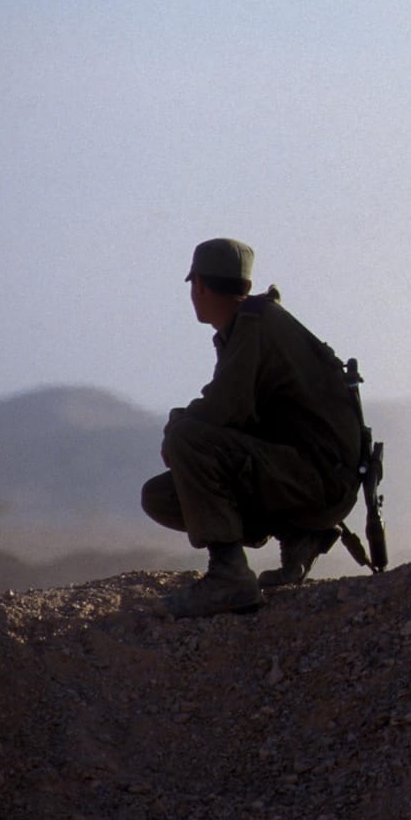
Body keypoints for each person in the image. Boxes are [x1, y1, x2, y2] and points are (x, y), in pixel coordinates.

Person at [141, 238, 365, 618]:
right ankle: (299, 532)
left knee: (186, 440)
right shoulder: (254, 323)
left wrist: (176, 426)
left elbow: (225, 409)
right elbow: (233, 407)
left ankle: (229, 577)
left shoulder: (254, 325)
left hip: (317, 479)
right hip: (312, 476)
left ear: (199, 286)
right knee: (163, 496)